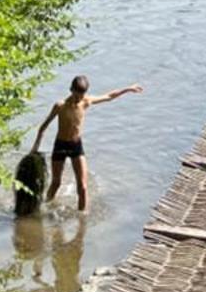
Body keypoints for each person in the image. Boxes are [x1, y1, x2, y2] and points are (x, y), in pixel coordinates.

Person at [31, 74, 143, 212]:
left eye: (82, 95)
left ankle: (82, 219)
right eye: (77, 95)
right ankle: (43, 208)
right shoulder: (60, 106)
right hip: (60, 145)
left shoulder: (86, 102)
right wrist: (35, 147)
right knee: (56, 183)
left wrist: (128, 89)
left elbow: (109, 96)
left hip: (76, 146)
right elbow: (43, 127)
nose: (79, 99)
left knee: (83, 187)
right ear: (71, 89)